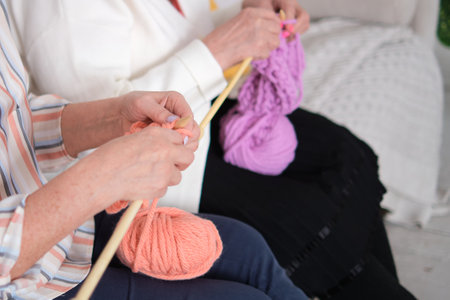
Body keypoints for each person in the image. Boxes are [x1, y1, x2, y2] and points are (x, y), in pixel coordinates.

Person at [6, 0, 416, 299]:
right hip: (119, 177)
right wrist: (223, 47)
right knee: (308, 221)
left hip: (186, 117)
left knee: (348, 156)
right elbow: (98, 138)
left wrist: (256, 12)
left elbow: (19, 121)